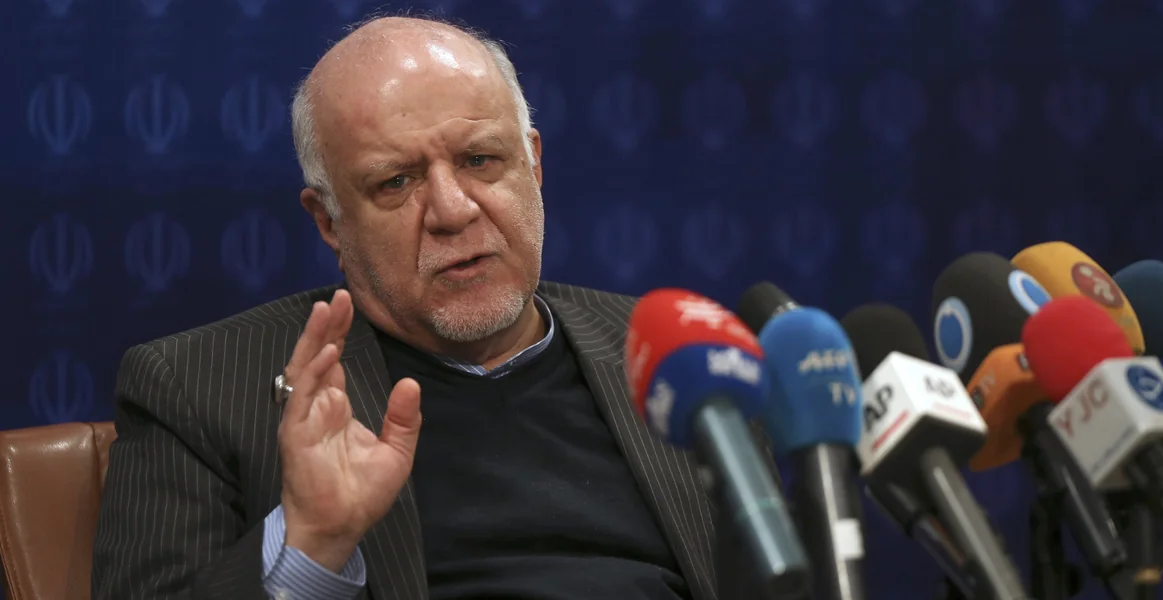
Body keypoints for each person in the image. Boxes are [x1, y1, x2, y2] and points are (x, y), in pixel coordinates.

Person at [91, 15, 729, 600]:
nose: (452, 210)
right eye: (396, 181)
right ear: (329, 221)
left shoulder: (677, 357)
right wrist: (311, 546)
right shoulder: (198, 387)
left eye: (480, 160)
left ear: (533, 164)